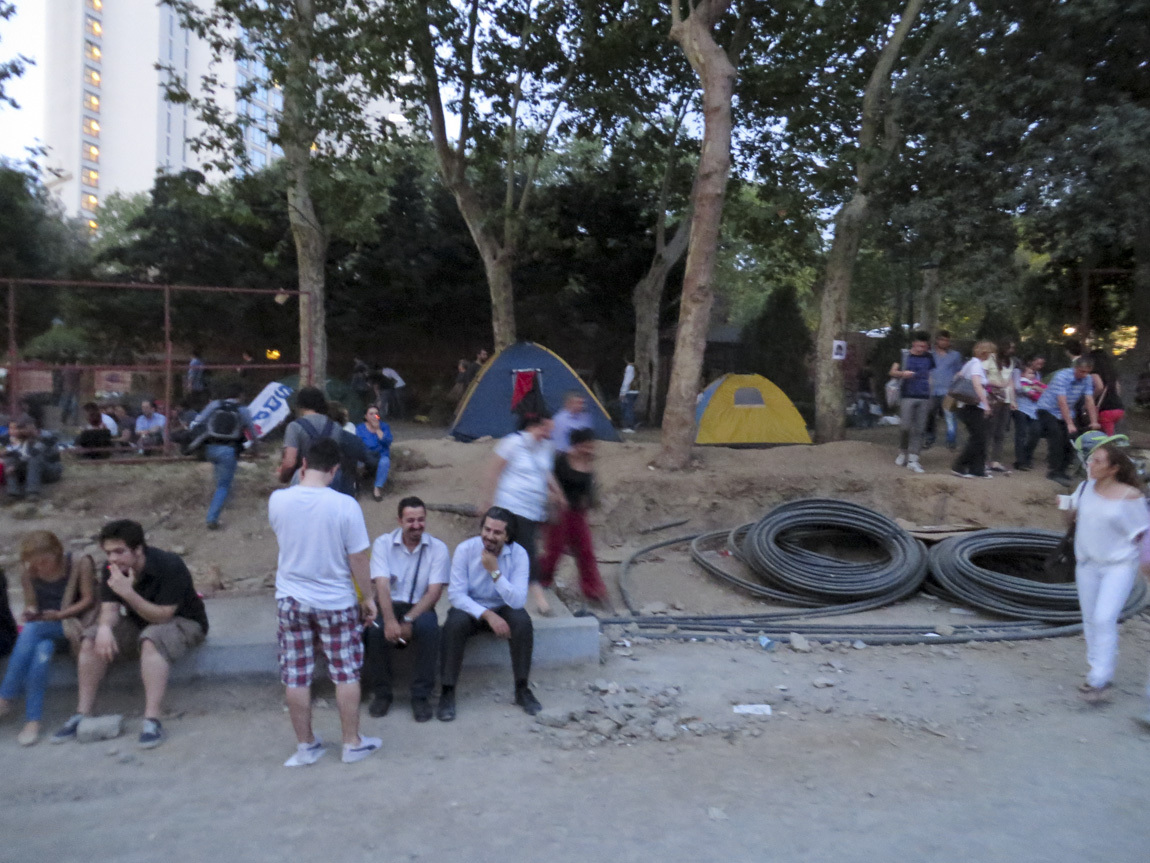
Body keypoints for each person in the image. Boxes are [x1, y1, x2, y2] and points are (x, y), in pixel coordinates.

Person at [268, 437, 381, 766]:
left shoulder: (278, 501)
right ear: (334, 470)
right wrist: (368, 598)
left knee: (296, 675)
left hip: (291, 598)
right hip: (335, 600)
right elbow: (358, 559)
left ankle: (305, 746)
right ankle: (351, 742)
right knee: (345, 672)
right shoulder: (346, 506)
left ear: (303, 464)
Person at [51, 520, 209, 749]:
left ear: (138, 549)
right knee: (91, 638)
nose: (113, 558)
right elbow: (110, 609)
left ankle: (152, 719)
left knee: (151, 639)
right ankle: (82, 713)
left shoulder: (168, 565)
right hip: (140, 621)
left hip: (183, 622)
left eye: (119, 551)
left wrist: (129, 593)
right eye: (108, 552)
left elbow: (164, 616)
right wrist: (104, 628)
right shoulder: (111, 570)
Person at [1063, 443, 1150, 706]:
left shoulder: (1130, 496)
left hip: (1119, 565)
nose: (1091, 464)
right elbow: (1073, 520)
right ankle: (1098, 672)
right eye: (1091, 460)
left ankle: (1100, 677)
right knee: (1090, 618)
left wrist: (1146, 565)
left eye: (1098, 461)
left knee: (1104, 617)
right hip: (1087, 563)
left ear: (1114, 468)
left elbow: (1143, 533)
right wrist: (1066, 509)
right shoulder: (1084, 488)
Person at [438, 506, 541, 721]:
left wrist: (495, 573)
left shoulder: (519, 555)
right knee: (454, 624)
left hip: (504, 606)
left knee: (522, 622)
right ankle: (447, 691)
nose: (489, 536)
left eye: (497, 533)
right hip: (471, 607)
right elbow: (456, 595)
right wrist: (487, 615)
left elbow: (518, 600)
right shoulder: (465, 550)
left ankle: (522, 689)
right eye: (487, 530)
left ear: (507, 535)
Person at [0, 532, 95, 746]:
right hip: (45, 628)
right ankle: (33, 721)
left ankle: (5, 697)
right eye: (35, 563)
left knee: (32, 631)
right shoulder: (29, 573)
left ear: (56, 553)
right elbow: (31, 603)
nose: (40, 567)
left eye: (44, 561)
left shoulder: (78, 563)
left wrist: (60, 615)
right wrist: (30, 611)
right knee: (41, 652)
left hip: (73, 626)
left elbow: (88, 599)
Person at [364, 497, 449, 722]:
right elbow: (381, 584)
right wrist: (391, 621)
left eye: (421, 519)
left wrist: (409, 620)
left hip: (419, 606)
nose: (416, 525)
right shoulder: (383, 544)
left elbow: (433, 593)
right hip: (389, 604)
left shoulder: (437, 548)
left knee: (429, 628)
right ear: (399, 520)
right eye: (410, 520)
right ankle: (382, 693)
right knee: (373, 630)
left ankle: (421, 696)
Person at [483, 411, 564, 616]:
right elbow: (494, 470)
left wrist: (558, 493)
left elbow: (545, 473)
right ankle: (540, 600)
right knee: (528, 550)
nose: (549, 432)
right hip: (511, 505)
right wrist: (487, 500)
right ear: (536, 425)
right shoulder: (513, 443)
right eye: (546, 427)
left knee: (511, 550)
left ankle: (498, 588)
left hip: (533, 509)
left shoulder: (545, 448)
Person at [539, 429, 611, 610]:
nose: (590, 448)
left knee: (586, 551)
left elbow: (590, 492)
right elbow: (547, 480)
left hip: (579, 514)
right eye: (586, 445)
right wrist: (554, 497)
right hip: (560, 512)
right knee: (554, 550)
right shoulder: (561, 460)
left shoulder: (589, 463)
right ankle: (541, 580)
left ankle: (593, 589)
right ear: (577, 445)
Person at [189, 382, 257, 530]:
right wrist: (255, 447)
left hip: (209, 448)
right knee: (223, 485)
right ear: (240, 395)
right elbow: (252, 432)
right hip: (228, 450)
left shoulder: (215, 405)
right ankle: (212, 518)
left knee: (219, 475)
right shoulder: (243, 410)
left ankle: (224, 502)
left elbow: (198, 421)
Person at [1035, 357, 1100, 487]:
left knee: (1072, 439)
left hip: (1067, 411)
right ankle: (1053, 471)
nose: (1084, 375)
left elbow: (1089, 400)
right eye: (1082, 371)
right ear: (1075, 368)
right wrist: (1069, 423)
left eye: (1087, 372)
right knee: (1057, 436)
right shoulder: (1062, 376)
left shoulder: (1087, 379)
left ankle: (1063, 470)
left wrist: (1094, 422)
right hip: (1048, 409)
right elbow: (1062, 401)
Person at [889, 331, 935, 474]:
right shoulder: (904, 355)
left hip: (924, 395)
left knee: (920, 429)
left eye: (924, 346)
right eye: (919, 345)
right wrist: (903, 374)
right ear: (913, 343)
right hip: (907, 394)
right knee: (905, 426)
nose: (921, 349)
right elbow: (892, 372)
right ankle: (903, 451)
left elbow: (930, 375)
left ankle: (914, 458)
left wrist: (931, 392)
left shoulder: (929, 357)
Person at [951, 341, 995, 479]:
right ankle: (959, 465)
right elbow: (977, 386)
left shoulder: (970, 363)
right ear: (985, 353)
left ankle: (977, 469)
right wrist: (986, 404)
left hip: (968, 406)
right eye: (991, 353)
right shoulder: (976, 365)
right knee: (978, 437)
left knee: (980, 437)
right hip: (973, 406)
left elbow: (958, 376)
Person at [3, 416, 62, 500]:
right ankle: (13, 492)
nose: (19, 431)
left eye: (23, 428)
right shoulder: (21, 439)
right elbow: (18, 454)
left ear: (32, 426)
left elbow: (33, 453)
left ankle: (32, 492)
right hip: (31, 469)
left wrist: (15, 467)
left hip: (51, 469)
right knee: (10, 459)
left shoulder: (46, 437)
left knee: (35, 458)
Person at [982, 338, 1017, 473]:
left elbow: (1011, 381)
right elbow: (983, 377)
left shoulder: (1012, 362)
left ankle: (996, 461)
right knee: (989, 430)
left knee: (1000, 431)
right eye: (1010, 347)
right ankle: (983, 460)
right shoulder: (991, 359)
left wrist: (1013, 399)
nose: (1012, 350)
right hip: (993, 398)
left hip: (1006, 399)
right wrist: (997, 384)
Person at [925, 330, 964, 450]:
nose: (944, 342)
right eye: (942, 339)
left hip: (948, 391)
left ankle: (951, 440)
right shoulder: (929, 355)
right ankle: (929, 438)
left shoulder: (955, 355)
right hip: (932, 390)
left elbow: (959, 371)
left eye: (947, 340)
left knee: (950, 416)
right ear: (937, 340)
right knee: (930, 415)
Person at [1012, 354, 1046, 471]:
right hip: (1020, 406)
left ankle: (1028, 455)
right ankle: (1020, 460)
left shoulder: (1037, 374)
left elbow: (1042, 389)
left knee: (1036, 432)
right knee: (1021, 433)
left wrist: (1037, 389)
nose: (1039, 366)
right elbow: (1017, 387)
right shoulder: (1018, 371)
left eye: (1041, 364)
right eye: (1038, 363)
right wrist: (1032, 389)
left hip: (1034, 408)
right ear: (1031, 361)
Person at [355, 405, 394, 502]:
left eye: (376, 414)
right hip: (365, 455)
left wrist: (377, 429)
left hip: (381, 455)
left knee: (385, 462)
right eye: (371, 414)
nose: (374, 416)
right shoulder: (360, 428)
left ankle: (377, 488)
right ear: (366, 416)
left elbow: (387, 442)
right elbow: (357, 444)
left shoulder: (384, 426)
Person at [1088, 348, 1125, 436]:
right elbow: (1118, 389)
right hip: (1118, 408)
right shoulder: (1112, 374)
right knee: (1111, 432)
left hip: (1105, 410)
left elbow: (1099, 387)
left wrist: (1091, 399)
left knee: (1106, 438)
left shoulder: (1094, 373)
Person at [619, 359, 639, 433]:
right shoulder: (635, 367)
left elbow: (627, 381)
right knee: (629, 408)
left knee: (627, 409)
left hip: (629, 392)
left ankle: (630, 426)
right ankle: (634, 422)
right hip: (634, 391)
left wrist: (622, 393)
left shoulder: (629, 368)